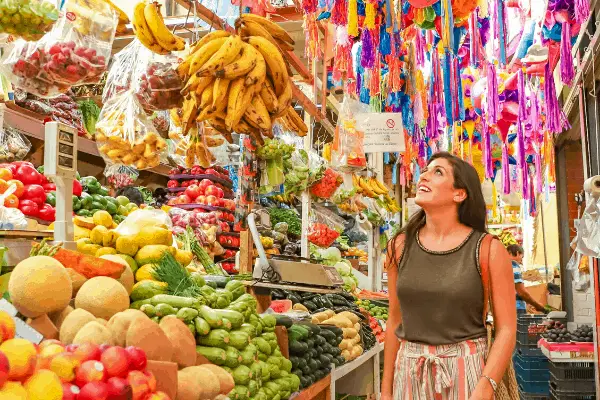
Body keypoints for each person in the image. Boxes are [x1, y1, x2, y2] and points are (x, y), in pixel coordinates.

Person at [381, 152, 516, 400]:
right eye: (426, 170)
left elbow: (506, 328)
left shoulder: (489, 249)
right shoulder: (398, 247)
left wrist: (485, 386)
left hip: (468, 372)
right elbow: (394, 321)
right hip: (409, 372)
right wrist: (386, 390)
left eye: (438, 172)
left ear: (459, 194)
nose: (425, 175)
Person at [506, 244, 546, 314]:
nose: (521, 261)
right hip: (515, 312)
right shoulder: (513, 265)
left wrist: (527, 302)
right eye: (522, 257)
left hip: (507, 310)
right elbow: (521, 292)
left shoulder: (503, 265)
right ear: (518, 253)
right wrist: (538, 305)